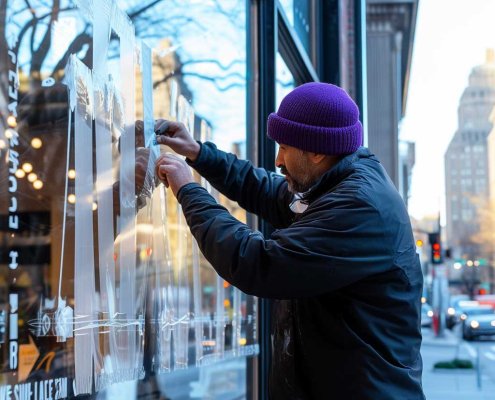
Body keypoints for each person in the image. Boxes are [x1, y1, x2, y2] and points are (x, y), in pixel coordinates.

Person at [154, 82, 425, 399]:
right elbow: (267, 191)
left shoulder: (358, 207)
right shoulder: (334, 184)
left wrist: (189, 192)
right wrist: (200, 154)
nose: (278, 159)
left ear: (316, 151)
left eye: (284, 147)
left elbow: (258, 263)